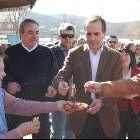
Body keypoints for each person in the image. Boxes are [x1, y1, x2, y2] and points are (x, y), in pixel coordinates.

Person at [52, 15, 123, 139]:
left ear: (104, 33)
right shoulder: (74, 53)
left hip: (107, 119)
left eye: (96, 34)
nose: (92, 38)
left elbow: (118, 87)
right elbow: (60, 76)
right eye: (88, 34)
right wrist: (60, 84)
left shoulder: (115, 57)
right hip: (81, 119)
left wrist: (102, 101)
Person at [2, 19, 56, 139]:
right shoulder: (10, 53)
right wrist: (8, 84)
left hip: (40, 105)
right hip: (16, 107)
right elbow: (3, 76)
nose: (34, 36)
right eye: (30, 32)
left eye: (37, 32)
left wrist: (51, 86)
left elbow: (53, 75)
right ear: (21, 34)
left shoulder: (47, 53)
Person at [0, 56, 73, 139]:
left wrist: (57, 105)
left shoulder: (1, 93)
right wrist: (18, 132)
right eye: (1, 70)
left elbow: (22, 105)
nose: (4, 74)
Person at [47, 23, 75, 139]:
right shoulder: (50, 52)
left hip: (73, 98)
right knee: (57, 133)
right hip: (58, 98)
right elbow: (47, 74)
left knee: (71, 132)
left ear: (74, 37)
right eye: (64, 36)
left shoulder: (77, 52)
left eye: (70, 36)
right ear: (59, 37)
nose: (67, 38)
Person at [117, 48, 140, 139]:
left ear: (131, 57)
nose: (123, 57)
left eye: (126, 55)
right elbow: (109, 91)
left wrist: (135, 94)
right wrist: (122, 95)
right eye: (121, 55)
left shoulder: (138, 72)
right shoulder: (114, 72)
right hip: (118, 112)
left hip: (134, 112)